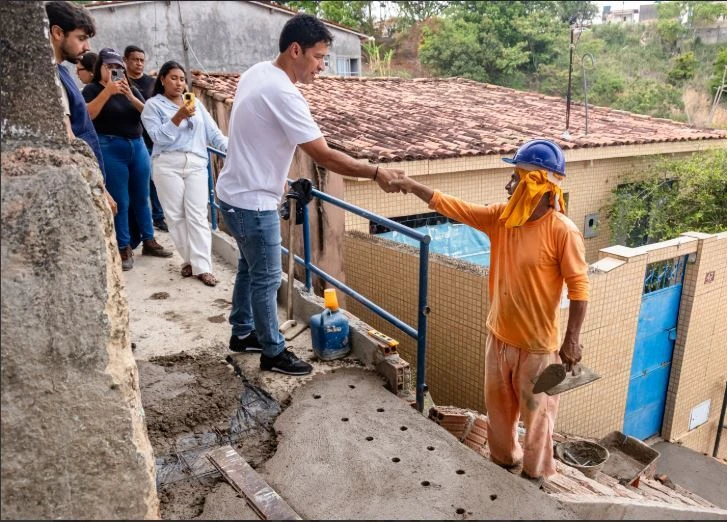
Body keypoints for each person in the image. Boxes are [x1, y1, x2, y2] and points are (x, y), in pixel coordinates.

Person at [215, 13, 405, 376]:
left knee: (249, 267)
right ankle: (273, 351)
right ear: (295, 50)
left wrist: (281, 181)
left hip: (233, 192)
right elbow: (324, 155)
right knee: (267, 278)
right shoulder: (283, 93)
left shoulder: (258, 72)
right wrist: (376, 171)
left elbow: (257, 140)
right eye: (318, 57)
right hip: (252, 202)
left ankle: (242, 332)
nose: (321, 66)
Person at [392, 139, 590, 480]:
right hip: (498, 339)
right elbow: (454, 207)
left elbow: (579, 288)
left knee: (538, 420)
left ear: (537, 184)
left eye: (516, 177)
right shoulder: (502, 219)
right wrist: (411, 185)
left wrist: (572, 339)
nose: (508, 185)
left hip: (538, 350)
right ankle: (503, 463)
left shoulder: (563, 232)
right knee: (498, 414)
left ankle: (535, 478)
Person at [83, 47, 172, 270]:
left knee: (142, 196)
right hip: (110, 146)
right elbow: (88, 115)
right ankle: (124, 246)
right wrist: (108, 92)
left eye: (118, 67)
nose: (114, 70)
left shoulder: (130, 88)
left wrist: (130, 96)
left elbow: (148, 113)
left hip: (137, 145)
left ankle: (149, 240)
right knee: (121, 200)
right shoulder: (92, 89)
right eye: (109, 66)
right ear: (100, 68)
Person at [141, 61, 228, 287]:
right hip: (167, 163)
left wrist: (235, 151)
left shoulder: (195, 102)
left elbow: (214, 134)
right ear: (162, 79)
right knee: (176, 216)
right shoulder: (153, 106)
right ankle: (190, 260)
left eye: (182, 79)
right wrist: (178, 116)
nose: (179, 83)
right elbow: (158, 138)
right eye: (173, 78)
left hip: (196, 163)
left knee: (197, 214)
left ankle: (203, 267)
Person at [45, 1, 116, 216]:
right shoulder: (50, 77)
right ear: (58, 32)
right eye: (81, 38)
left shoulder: (61, 72)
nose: (87, 47)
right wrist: (99, 189)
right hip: (79, 185)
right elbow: (68, 137)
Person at [124, 44, 168, 233]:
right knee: (136, 186)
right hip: (132, 137)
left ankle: (158, 217)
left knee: (155, 181)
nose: (139, 63)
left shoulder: (152, 84)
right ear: (125, 61)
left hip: (152, 139)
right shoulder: (121, 83)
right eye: (135, 60)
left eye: (142, 60)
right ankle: (140, 223)